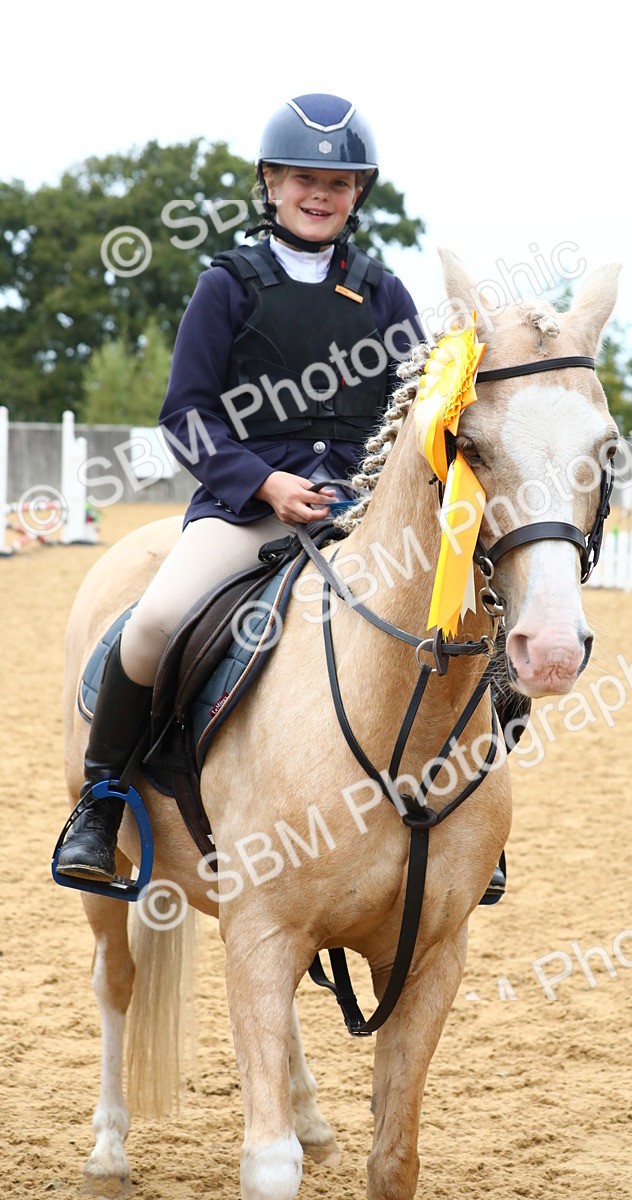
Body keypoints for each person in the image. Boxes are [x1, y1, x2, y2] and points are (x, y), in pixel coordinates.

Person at [56, 93, 424, 883]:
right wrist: (263, 482)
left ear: (358, 193)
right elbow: (184, 418)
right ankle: (102, 798)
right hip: (247, 509)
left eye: (338, 182)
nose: (319, 195)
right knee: (153, 621)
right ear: (270, 184)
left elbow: (419, 410)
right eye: (302, 179)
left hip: (361, 515)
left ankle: (458, 812)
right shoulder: (225, 285)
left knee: (460, 615)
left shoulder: (387, 294)